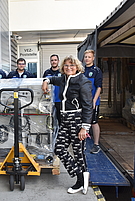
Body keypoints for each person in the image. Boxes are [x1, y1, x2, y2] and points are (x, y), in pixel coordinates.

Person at [42, 55, 92, 195]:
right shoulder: (63, 78)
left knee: (78, 152)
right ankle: (81, 175)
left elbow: (88, 106)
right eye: (66, 65)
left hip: (77, 120)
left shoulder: (83, 81)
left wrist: (84, 127)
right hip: (64, 119)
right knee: (59, 148)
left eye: (72, 65)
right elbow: (52, 79)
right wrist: (46, 81)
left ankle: (80, 182)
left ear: (77, 67)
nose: (69, 68)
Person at [83, 50, 103, 154]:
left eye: (89, 57)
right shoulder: (81, 70)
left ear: (93, 58)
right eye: (86, 57)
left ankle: (96, 145)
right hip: (83, 101)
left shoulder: (96, 71)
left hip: (92, 101)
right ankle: (83, 144)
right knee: (83, 123)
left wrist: (94, 101)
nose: (87, 59)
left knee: (93, 123)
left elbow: (99, 87)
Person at [43, 54, 62, 125]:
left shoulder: (62, 72)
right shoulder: (46, 72)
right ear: (50, 62)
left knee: (60, 120)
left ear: (58, 61)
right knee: (49, 120)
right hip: (49, 100)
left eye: (55, 60)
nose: (53, 62)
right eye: (52, 60)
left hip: (59, 100)